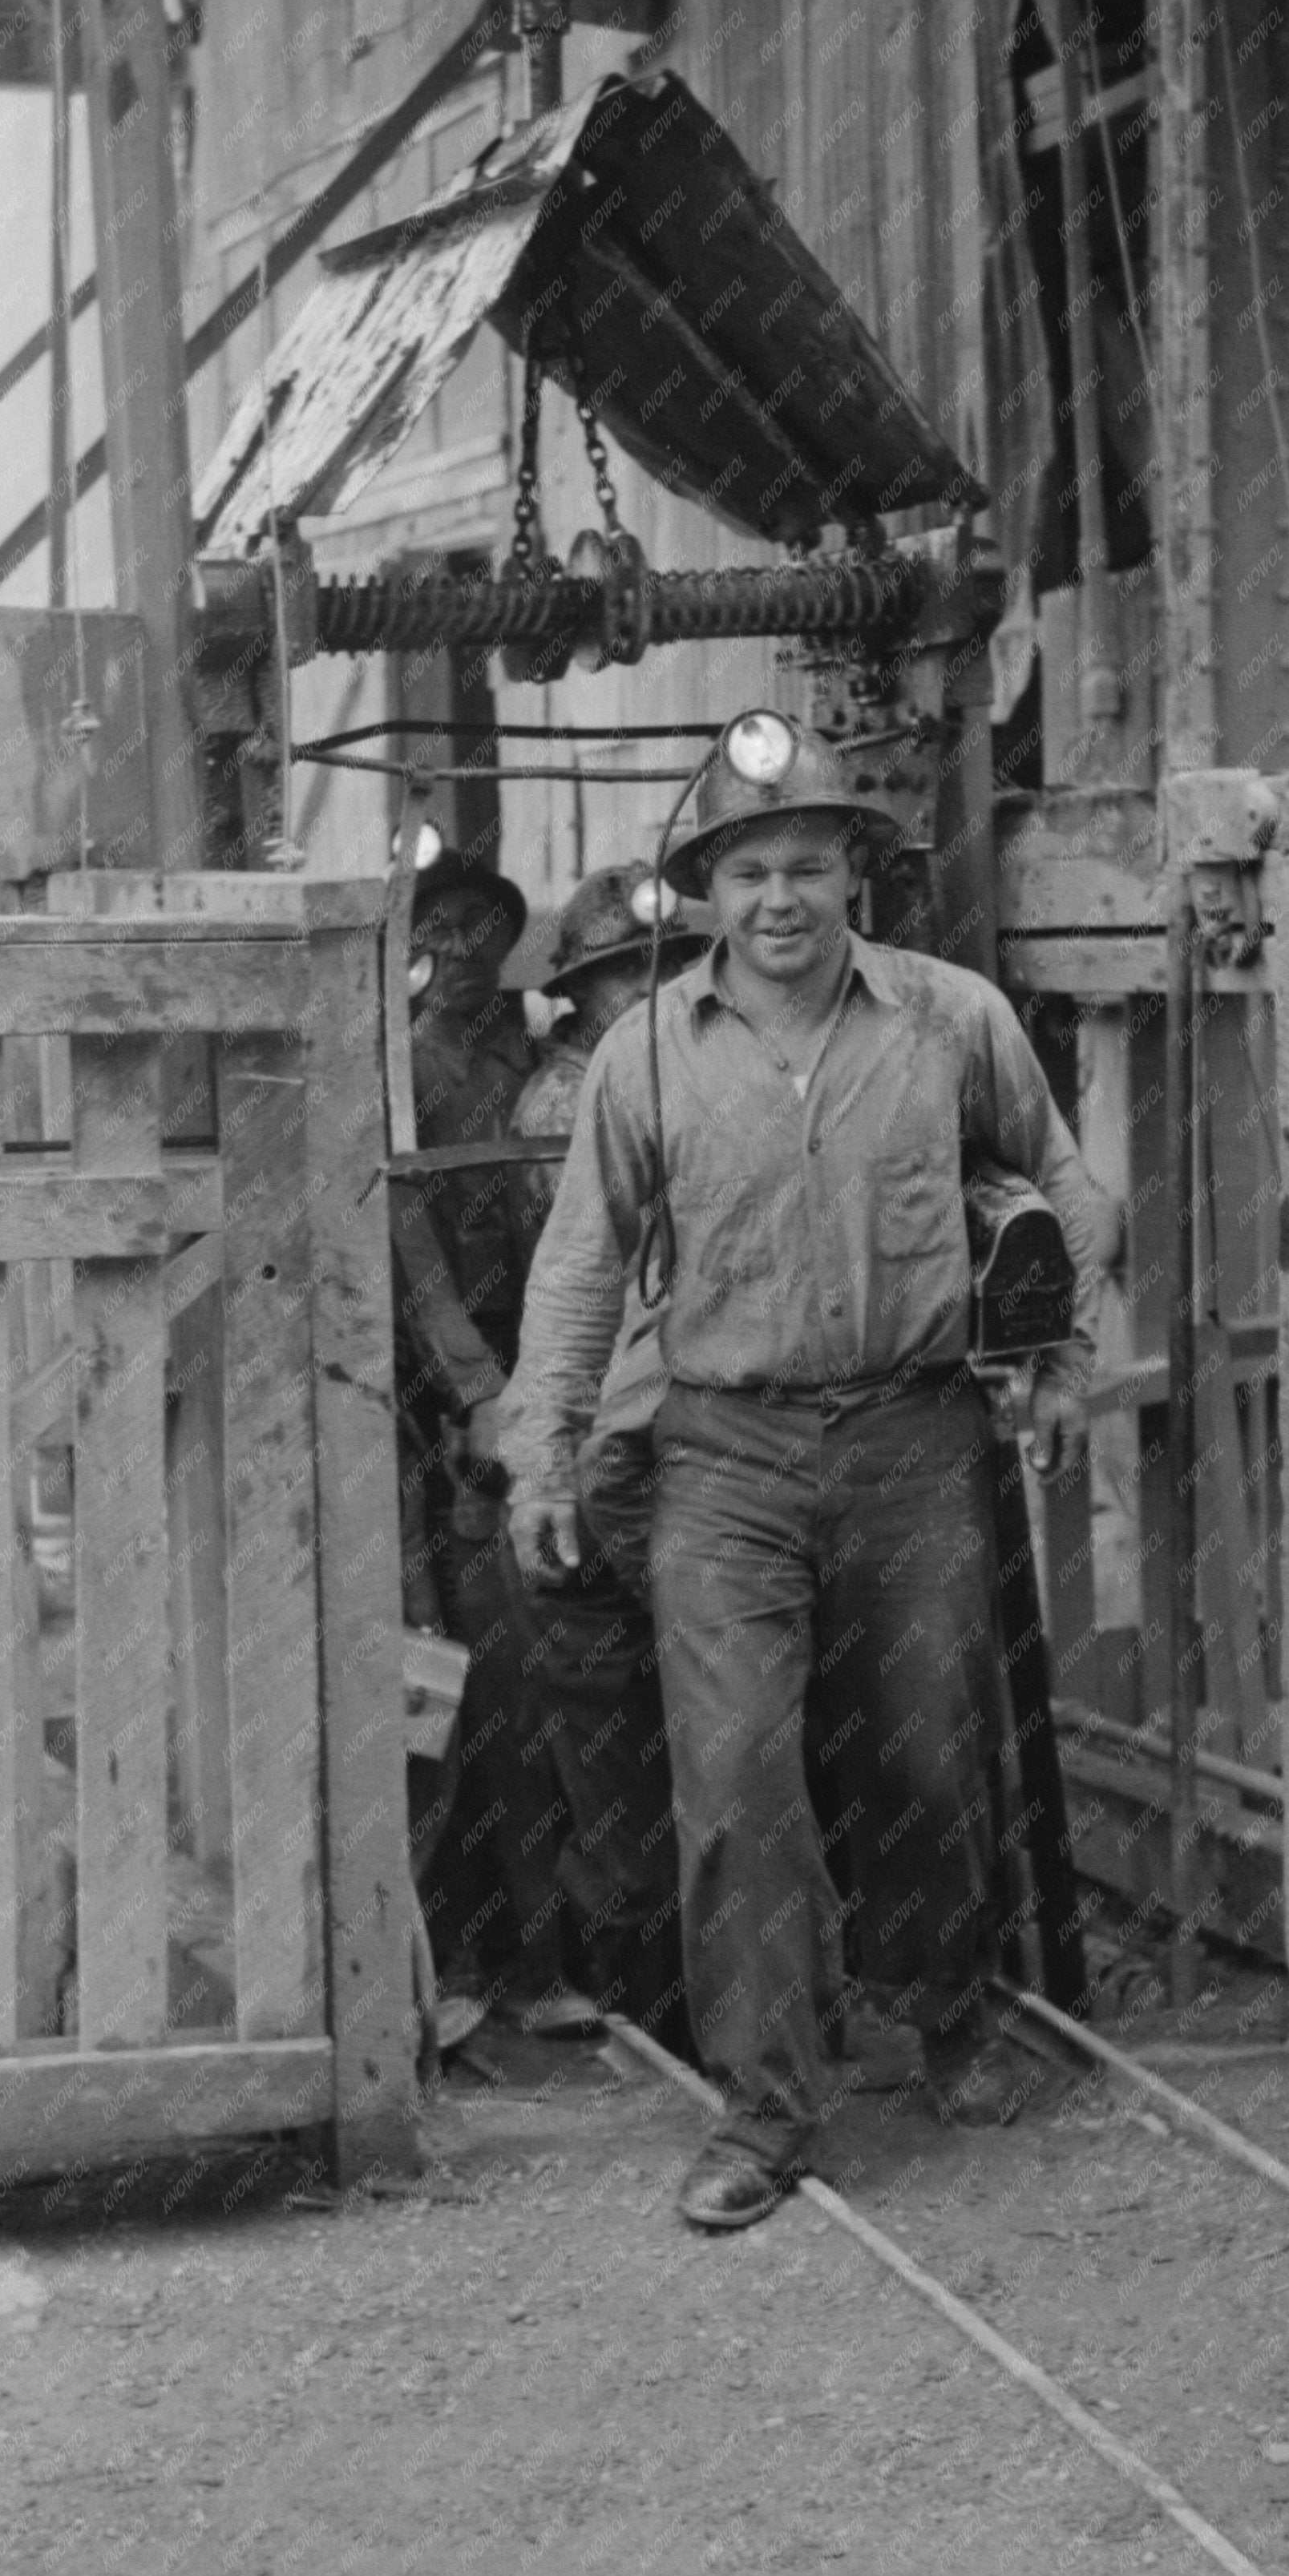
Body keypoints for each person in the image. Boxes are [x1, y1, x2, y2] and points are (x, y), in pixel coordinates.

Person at [503, 709, 1102, 2231]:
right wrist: (546, 1454)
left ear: (860, 880)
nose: (781, 899)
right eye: (751, 870)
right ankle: (766, 2107)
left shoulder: (953, 1022)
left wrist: (1056, 1355)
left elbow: (1069, 1191)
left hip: (915, 1437)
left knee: (920, 1750)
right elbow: (580, 1268)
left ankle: (949, 2011)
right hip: (722, 1452)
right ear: (707, 888)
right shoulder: (644, 1054)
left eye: (812, 867)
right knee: (736, 1771)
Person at [388, 843, 596, 2037]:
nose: (464, 950)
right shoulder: (401, 1066)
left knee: (538, 1693)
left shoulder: (542, 1065)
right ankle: (458, 1962)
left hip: (547, 1390)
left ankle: (547, 1961)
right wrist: (478, 1387)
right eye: (441, 929)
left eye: (484, 927)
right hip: (437, 1417)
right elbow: (411, 1247)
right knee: (446, 1690)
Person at [504, 865, 709, 2049]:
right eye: (629, 975)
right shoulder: (566, 1104)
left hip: (681, 1429)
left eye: (672, 966)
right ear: (578, 995)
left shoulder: (684, 1073)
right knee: (607, 1726)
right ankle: (626, 1974)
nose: (658, 988)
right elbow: (586, 1280)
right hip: (599, 1429)